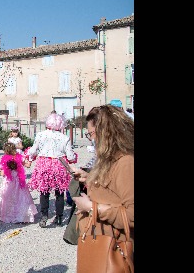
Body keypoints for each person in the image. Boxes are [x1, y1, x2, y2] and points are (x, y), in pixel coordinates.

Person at [70, 105, 134, 266]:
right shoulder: (108, 160)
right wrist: (89, 178)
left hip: (114, 249)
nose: (91, 139)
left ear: (106, 132)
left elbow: (132, 215)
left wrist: (92, 207)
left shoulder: (125, 162)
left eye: (91, 134)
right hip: (99, 242)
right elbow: (111, 191)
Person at [25, 112, 77, 228]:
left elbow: (33, 151)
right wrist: (74, 157)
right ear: (60, 124)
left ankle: (44, 216)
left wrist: (29, 156)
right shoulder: (65, 138)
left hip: (44, 164)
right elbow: (70, 157)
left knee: (44, 192)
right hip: (59, 164)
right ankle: (59, 217)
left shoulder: (40, 135)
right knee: (59, 192)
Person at [0, 142, 37, 223]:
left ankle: (7, 215)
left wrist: (0, 172)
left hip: (9, 182)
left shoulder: (5, 159)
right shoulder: (20, 157)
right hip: (19, 181)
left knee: (6, 197)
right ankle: (21, 215)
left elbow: (2, 172)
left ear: (5, 151)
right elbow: (28, 165)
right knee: (20, 197)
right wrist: (30, 157)